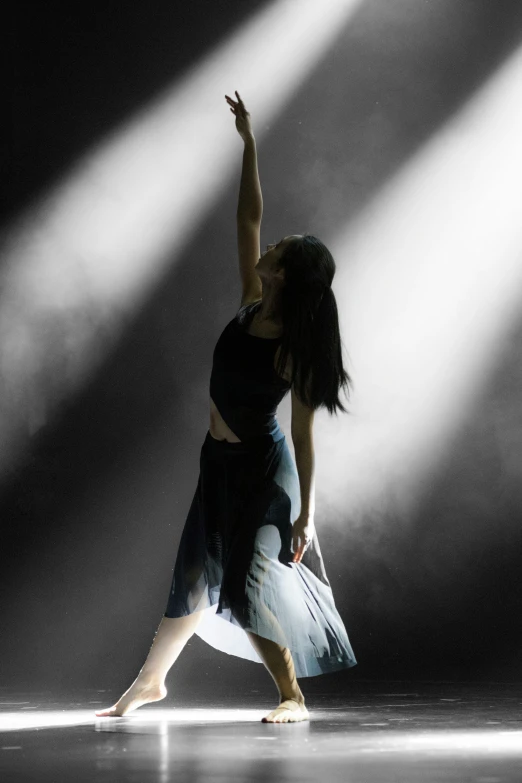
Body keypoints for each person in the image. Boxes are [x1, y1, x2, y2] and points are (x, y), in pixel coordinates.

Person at [96, 91, 356, 725]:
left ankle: (292, 696)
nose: (268, 249)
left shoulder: (293, 350)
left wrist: (305, 513)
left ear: (288, 275)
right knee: (190, 577)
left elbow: (303, 438)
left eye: (280, 250)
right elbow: (248, 220)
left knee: (242, 585)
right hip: (218, 461)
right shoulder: (249, 300)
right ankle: (148, 684)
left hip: (266, 477)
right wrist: (249, 146)